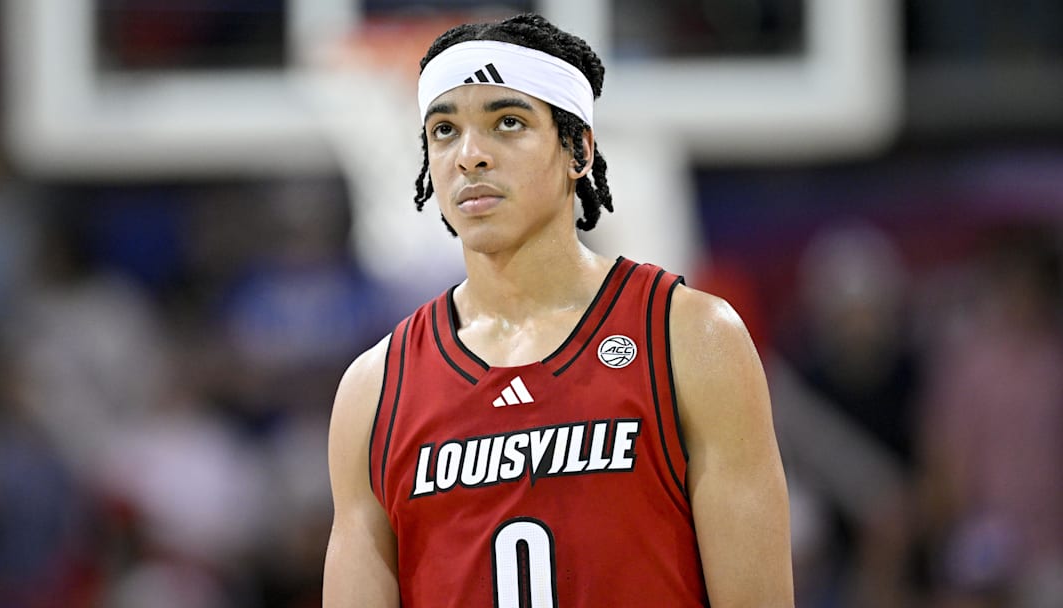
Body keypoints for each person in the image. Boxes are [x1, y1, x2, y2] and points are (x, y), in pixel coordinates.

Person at [323, 13, 793, 607]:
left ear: (579, 150)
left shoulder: (690, 338)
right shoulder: (374, 391)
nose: (470, 155)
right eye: (444, 131)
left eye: (508, 122)